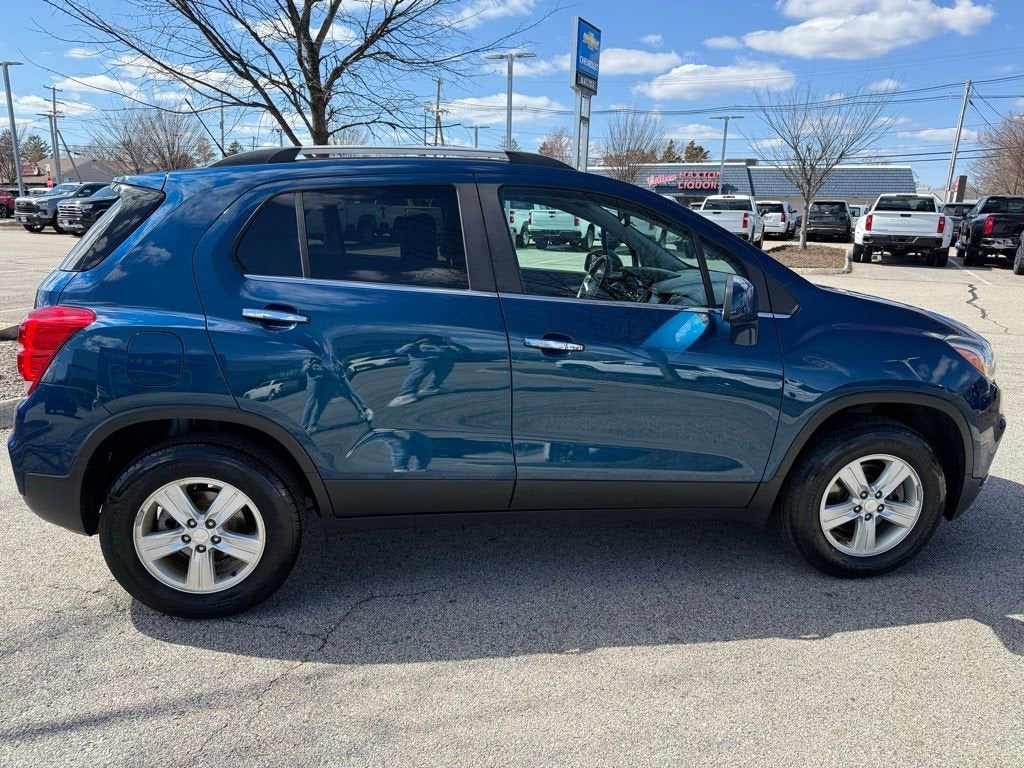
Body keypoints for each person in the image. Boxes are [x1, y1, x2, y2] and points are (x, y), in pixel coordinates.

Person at [388, 336, 470, 407]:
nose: (435, 339)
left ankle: (432, 388)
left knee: (442, 375)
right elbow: (400, 351)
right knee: (418, 375)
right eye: (432, 338)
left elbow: (466, 350)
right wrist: (418, 342)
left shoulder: (446, 346)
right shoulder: (417, 345)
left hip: (446, 361)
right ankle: (406, 394)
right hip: (423, 361)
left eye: (437, 338)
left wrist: (453, 343)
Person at [301, 356, 373, 433]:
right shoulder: (309, 356)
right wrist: (310, 364)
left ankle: (363, 412)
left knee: (348, 393)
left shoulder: (324, 354)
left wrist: (336, 365)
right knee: (313, 403)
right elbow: (303, 371)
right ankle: (305, 426)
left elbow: (329, 364)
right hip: (319, 381)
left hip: (331, 378)